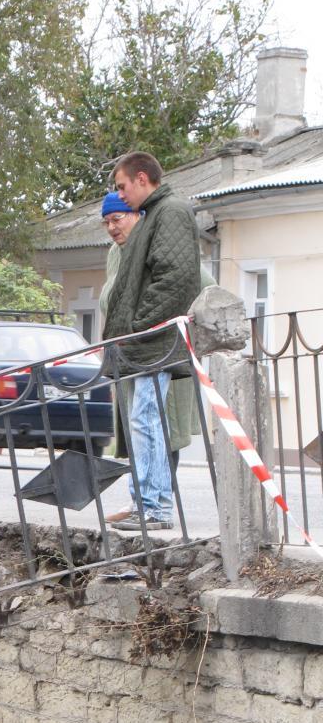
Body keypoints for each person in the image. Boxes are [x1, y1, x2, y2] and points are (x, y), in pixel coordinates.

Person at [97, 191, 214, 524]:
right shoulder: (117, 253)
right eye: (106, 221)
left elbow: (203, 285)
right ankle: (141, 502)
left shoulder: (158, 244)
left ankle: (155, 506)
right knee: (140, 427)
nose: (111, 227)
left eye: (117, 219)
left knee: (159, 428)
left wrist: (172, 328)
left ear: (137, 216)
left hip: (163, 352)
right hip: (133, 353)